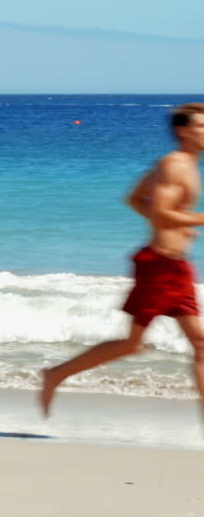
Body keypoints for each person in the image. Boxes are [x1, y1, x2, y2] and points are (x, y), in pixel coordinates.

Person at [39, 103, 204, 418]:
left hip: (175, 265)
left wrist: (181, 226)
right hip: (159, 266)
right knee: (132, 344)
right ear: (183, 130)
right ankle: (56, 374)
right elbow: (158, 213)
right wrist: (196, 220)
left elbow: (134, 199)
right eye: (201, 126)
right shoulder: (174, 165)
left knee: (199, 343)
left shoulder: (186, 165)